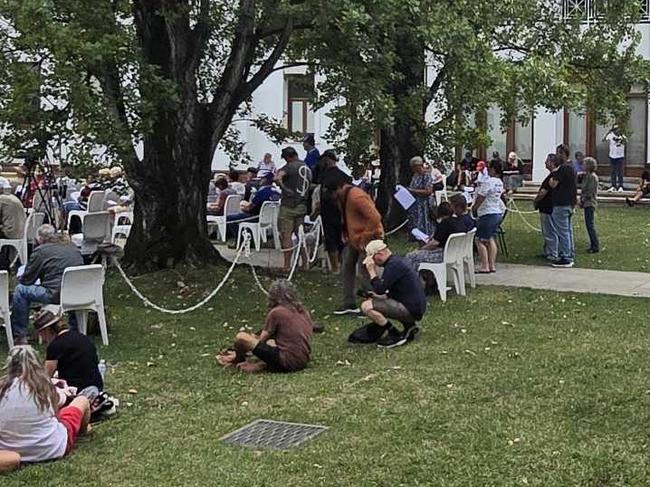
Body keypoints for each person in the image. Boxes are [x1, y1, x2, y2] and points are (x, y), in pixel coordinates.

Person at [0, 346, 92, 471]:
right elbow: (56, 412)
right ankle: (83, 430)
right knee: (82, 400)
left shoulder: (2, 388)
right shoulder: (44, 386)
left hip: (9, 449)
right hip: (53, 448)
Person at [216, 280, 313, 373]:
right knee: (271, 342)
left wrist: (243, 349)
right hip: (302, 361)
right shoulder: (304, 312)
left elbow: (261, 341)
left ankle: (236, 360)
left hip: (286, 361)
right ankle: (261, 365)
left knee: (241, 337)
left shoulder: (277, 312)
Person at [10, 225, 83, 344]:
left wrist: (21, 277)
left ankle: (20, 334)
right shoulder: (72, 246)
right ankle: (75, 328)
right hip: (78, 291)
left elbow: (27, 280)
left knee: (20, 290)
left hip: (54, 294)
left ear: (39, 239)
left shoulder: (41, 251)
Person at [355, 240, 426, 348]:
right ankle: (409, 326)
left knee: (366, 306)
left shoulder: (392, 266)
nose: (374, 263)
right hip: (415, 306)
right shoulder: (397, 261)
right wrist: (377, 297)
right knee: (373, 301)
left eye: (373, 259)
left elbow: (380, 289)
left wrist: (371, 271)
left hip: (411, 309)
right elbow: (393, 291)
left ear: (379, 254)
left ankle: (393, 333)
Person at [333, 179, 384, 315]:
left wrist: (365, 236)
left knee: (365, 270)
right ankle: (348, 302)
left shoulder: (356, 196)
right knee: (347, 266)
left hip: (368, 237)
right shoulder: (343, 198)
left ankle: (373, 303)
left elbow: (375, 217)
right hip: (353, 239)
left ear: (340, 187)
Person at [34, 305, 104, 392]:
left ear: (47, 330)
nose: (43, 339)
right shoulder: (82, 337)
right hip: (96, 385)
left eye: (41, 334)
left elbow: (46, 376)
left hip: (76, 389)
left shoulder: (55, 346)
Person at [405, 202, 465, 294]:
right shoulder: (457, 222)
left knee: (411, 256)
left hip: (442, 255)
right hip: (454, 253)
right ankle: (430, 282)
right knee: (419, 257)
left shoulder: (444, 224)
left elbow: (434, 243)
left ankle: (413, 287)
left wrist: (421, 249)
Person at [276, 147, 311, 273]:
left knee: (286, 236)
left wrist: (284, 188)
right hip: (302, 205)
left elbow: (277, 178)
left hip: (289, 206)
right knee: (300, 235)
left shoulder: (289, 167)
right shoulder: (306, 168)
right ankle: (305, 263)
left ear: (288, 157)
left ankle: (287, 265)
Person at [318, 150, 351, 273]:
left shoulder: (326, 176)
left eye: (323, 160)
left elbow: (326, 195)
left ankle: (335, 267)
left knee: (331, 239)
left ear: (327, 159)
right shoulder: (344, 175)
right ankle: (342, 266)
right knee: (341, 239)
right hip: (344, 212)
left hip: (330, 212)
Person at [472, 159, 504, 273]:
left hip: (487, 212)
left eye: (489, 168)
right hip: (496, 212)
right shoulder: (500, 182)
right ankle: (492, 264)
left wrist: (474, 207)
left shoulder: (488, 182)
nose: (488, 170)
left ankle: (484, 265)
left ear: (494, 169)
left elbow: (481, 196)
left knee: (479, 240)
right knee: (490, 238)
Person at [548, 144, 578, 268]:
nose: (556, 156)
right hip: (570, 203)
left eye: (558, 153)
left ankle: (566, 256)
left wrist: (551, 176)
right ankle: (569, 251)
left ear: (562, 154)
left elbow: (553, 184)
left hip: (561, 203)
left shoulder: (563, 169)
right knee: (568, 230)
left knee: (562, 231)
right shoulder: (572, 168)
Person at [534, 154, 560, 261]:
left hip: (547, 207)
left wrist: (536, 200)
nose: (545, 163)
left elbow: (543, 192)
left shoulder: (553, 177)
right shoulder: (553, 175)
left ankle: (553, 253)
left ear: (552, 163)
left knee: (550, 231)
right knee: (548, 230)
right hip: (549, 206)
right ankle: (548, 250)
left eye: (547, 161)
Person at [407, 156, 434, 236]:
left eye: (414, 167)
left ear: (418, 166)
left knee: (425, 226)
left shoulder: (426, 175)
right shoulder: (415, 176)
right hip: (415, 205)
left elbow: (428, 191)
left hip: (424, 205)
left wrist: (413, 191)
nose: (413, 169)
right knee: (416, 226)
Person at [580, 157, 599, 254]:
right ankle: (593, 244)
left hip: (590, 203)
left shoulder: (592, 177)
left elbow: (590, 192)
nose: (582, 165)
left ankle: (595, 245)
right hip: (586, 203)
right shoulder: (586, 176)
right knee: (588, 225)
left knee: (590, 225)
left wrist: (582, 200)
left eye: (584, 164)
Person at [604, 125, 626, 192]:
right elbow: (604, 139)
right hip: (612, 156)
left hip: (620, 156)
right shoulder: (611, 135)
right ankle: (613, 186)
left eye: (617, 129)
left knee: (620, 172)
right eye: (615, 129)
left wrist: (621, 138)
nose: (616, 130)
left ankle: (620, 186)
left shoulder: (622, 136)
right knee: (613, 171)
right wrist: (608, 132)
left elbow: (625, 142)